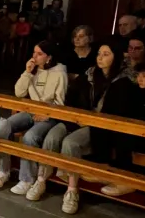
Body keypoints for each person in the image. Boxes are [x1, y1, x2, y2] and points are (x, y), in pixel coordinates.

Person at [39, 40, 122, 209]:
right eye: (99, 54)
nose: (100, 58)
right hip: (78, 118)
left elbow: (116, 110)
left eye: (106, 55)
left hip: (100, 125)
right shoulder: (90, 74)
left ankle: (72, 189)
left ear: (116, 57)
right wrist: (75, 115)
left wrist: (89, 118)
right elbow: (72, 96)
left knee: (71, 142)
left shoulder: (122, 81)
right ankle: (41, 178)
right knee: (52, 136)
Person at [92, 57, 145, 197]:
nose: (140, 79)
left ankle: (126, 181)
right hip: (138, 131)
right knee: (100, 128)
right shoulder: (138, 89)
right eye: (138, 75)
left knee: (124, 136)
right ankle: (104, 171)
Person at [0, 41, 68, 192]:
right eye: (34, 53)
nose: (34, 57)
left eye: (39, 54)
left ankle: (27, 179)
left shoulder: (60, 73)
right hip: (30, 110)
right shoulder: (32, 70)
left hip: (49, 116)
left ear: (49, 57)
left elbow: (60, 103)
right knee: (1, 126)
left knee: (30, 137)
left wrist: (46, 114)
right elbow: (19, 93)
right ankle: (3, 171)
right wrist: (27, 72)